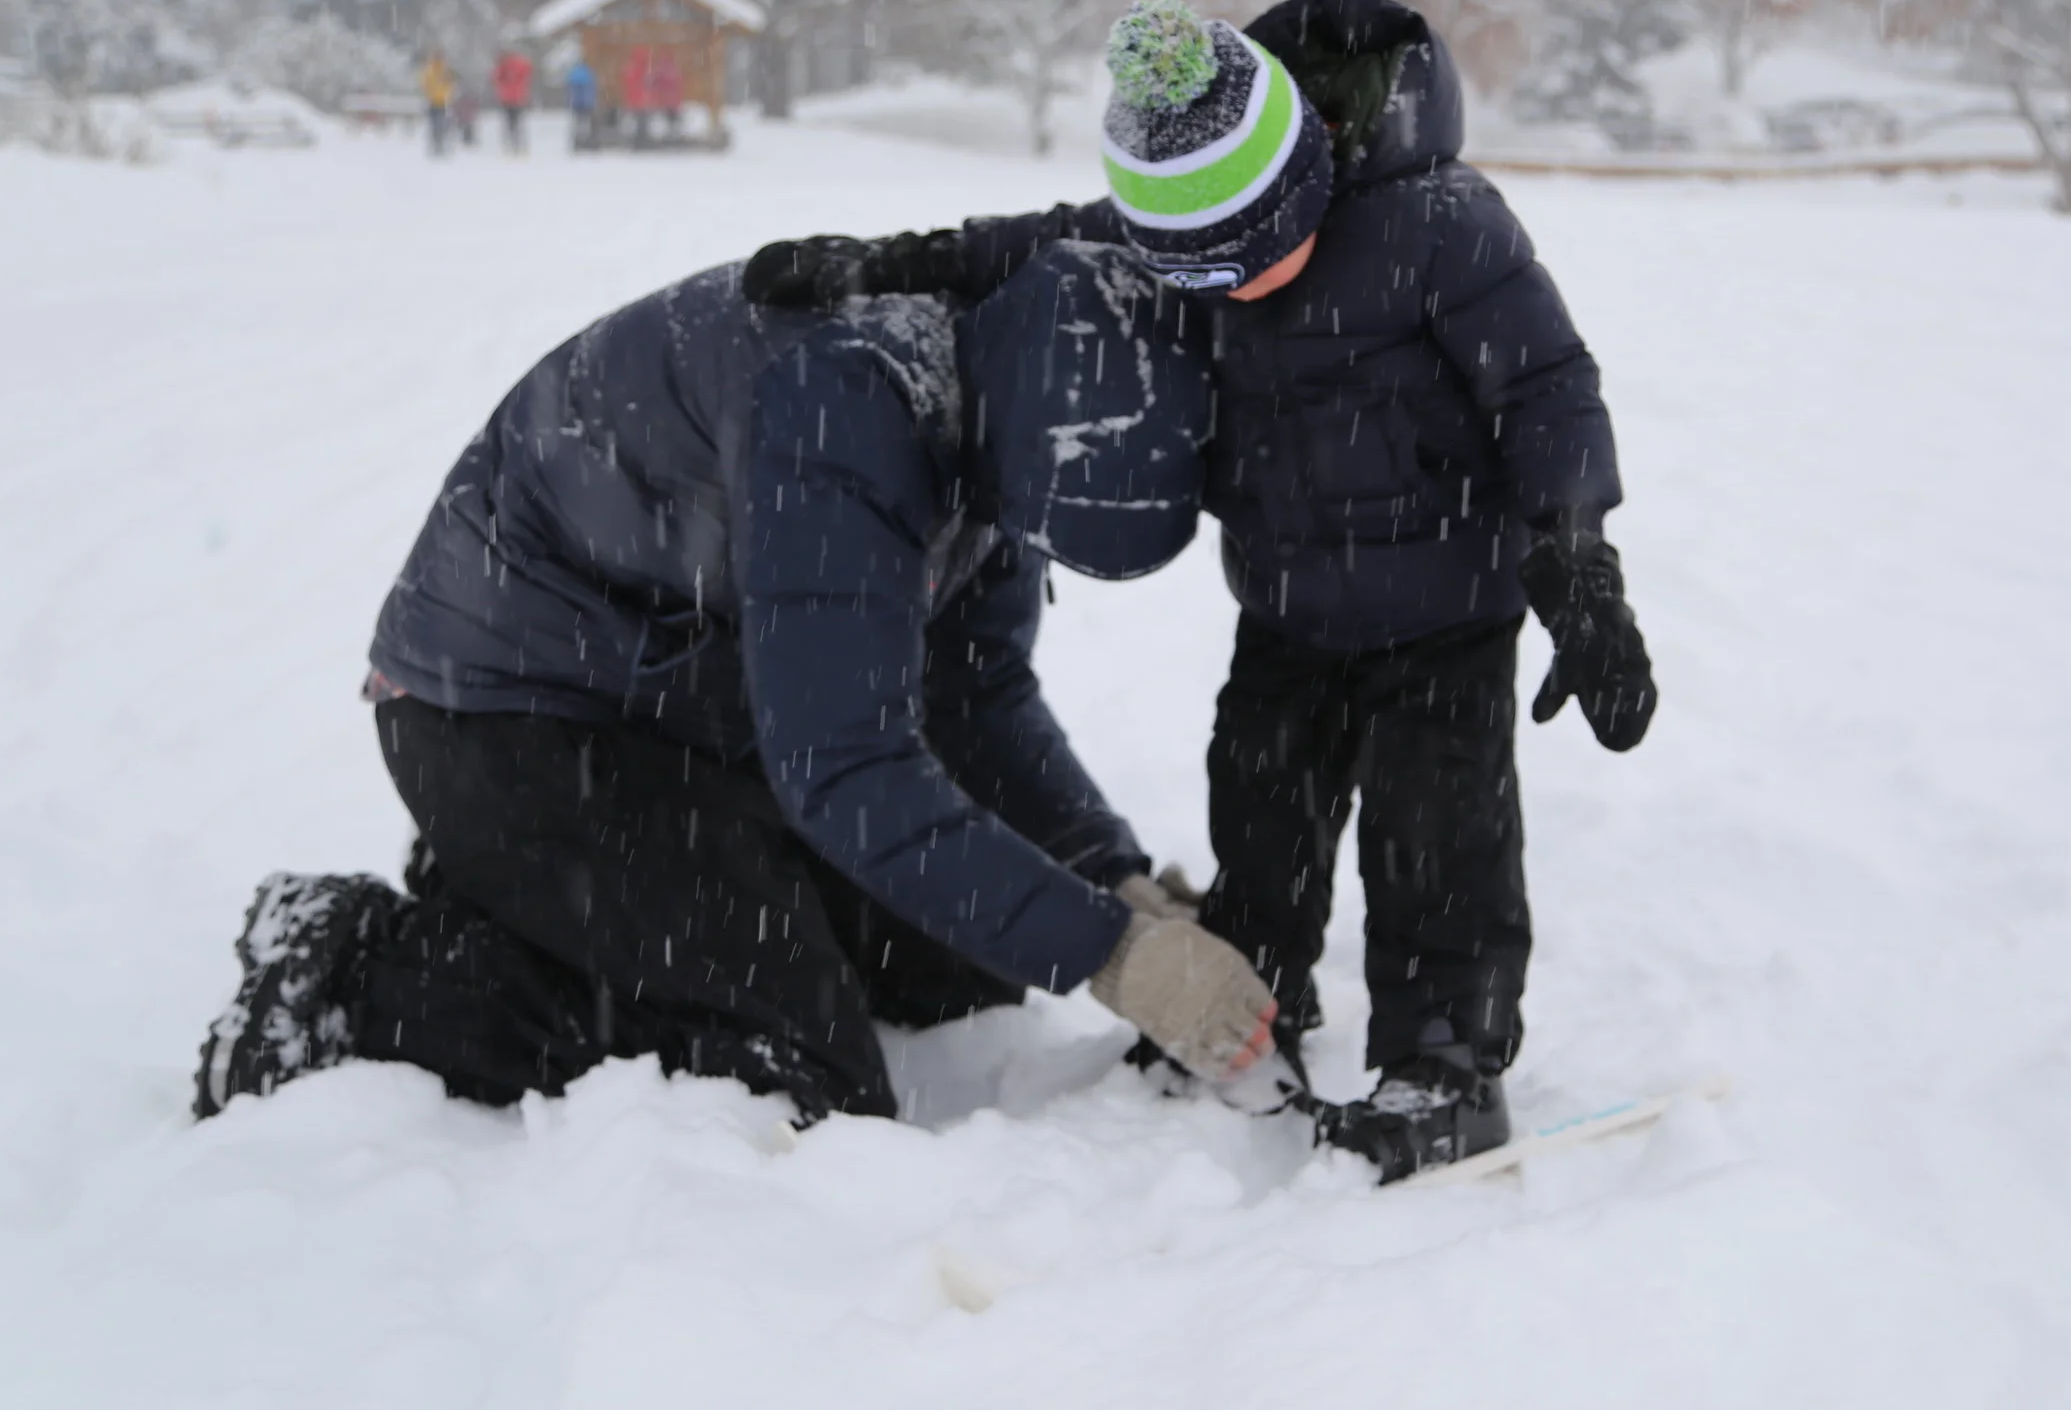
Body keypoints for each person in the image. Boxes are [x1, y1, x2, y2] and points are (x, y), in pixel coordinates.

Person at [743, 0, 1656, 1179]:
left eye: (1245, 258)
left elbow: (1548, 387)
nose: (1229, 291)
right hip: (1285, 606)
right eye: (1198, 272)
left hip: (1448, 608)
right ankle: (1253, 994)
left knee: (1438, 840)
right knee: (1259, 808)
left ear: (1302, 177)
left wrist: (1577, 554)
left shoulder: (1441, 224)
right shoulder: (1189, 235)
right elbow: (1032, 241)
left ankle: (1447, 1063)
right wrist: (885, 262)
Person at [193, 244, 1282, 1126]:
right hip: (516, 712)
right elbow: (849, 766)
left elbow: (978, 687)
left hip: (693, 707)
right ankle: (367, 967)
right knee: (795, 1072)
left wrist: (1113, 879)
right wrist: (1113, 954)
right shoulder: (839, 411)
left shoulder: (1012, 401)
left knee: (953, 972)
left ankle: (549, 891)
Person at [494, 48, 533, 154]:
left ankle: (511, 144)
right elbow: (528, 72)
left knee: (510, 123)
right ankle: (519, 145)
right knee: (518, 122)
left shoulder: (503, 65)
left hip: (507, 98)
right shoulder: (521, 64)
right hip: (518, 97)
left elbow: (496, 78)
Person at [419, 51, 454, 157]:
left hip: (441, 102)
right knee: (436, 125)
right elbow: (424, 84)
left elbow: (450, 84)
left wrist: (445, 94)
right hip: (435, 102)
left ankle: (439, 144)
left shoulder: (443, 71)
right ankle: (437, 145)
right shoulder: (431, 71)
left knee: (439, 125)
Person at [565, 58, 598, 149]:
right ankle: (586, 142)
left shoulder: (573, 74)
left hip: (576, 104)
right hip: (587, 104)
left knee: (577, 124)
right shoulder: (588, 73)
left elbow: (570, 90)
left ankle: (577, 142)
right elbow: (592, 89)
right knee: (586, 124)